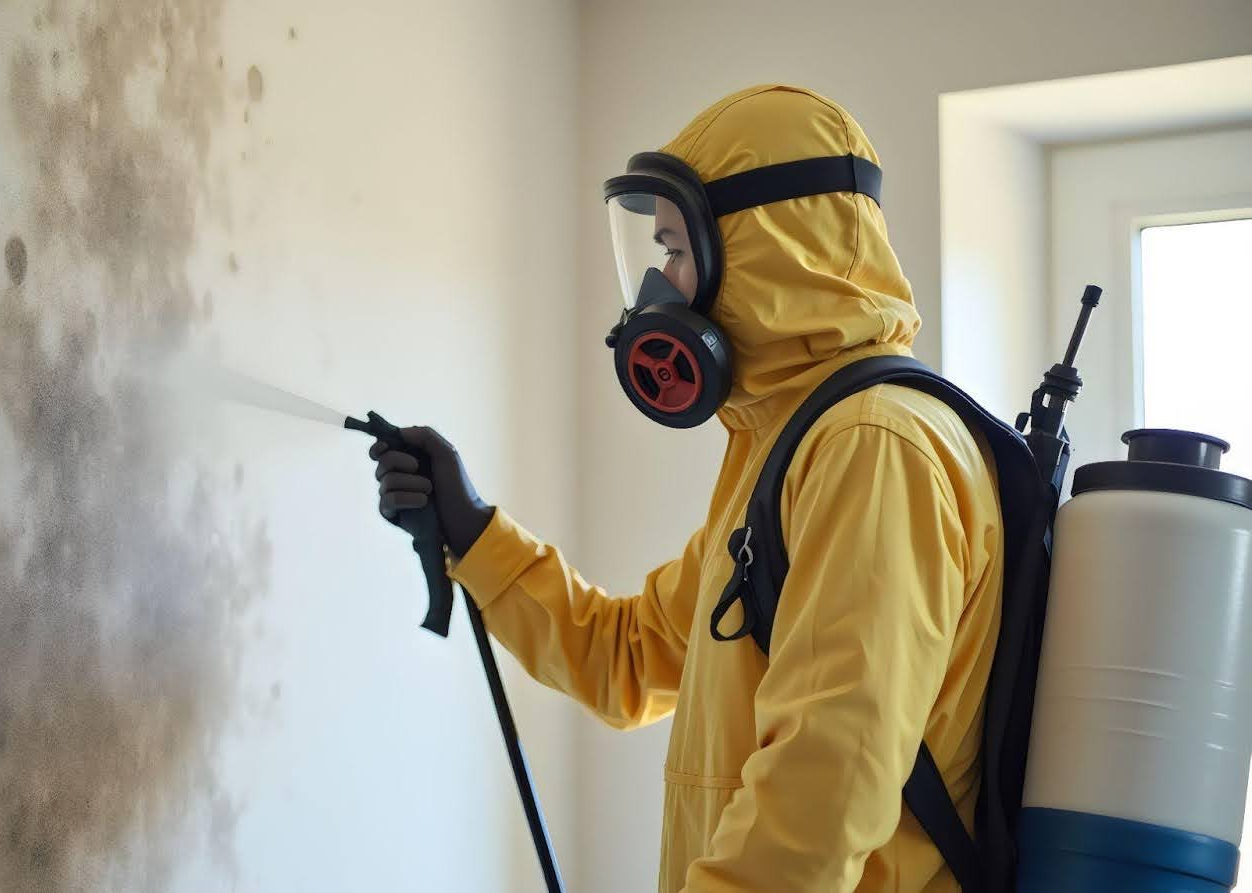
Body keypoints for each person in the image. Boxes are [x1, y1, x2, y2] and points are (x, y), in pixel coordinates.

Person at [371, 84, 1003, 893]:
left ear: (768, 247)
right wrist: (476, 533)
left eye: (674, 248)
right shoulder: (788, 448)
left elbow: (824, 791)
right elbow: (629, 656)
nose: (656, 285)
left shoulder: (870, 448)